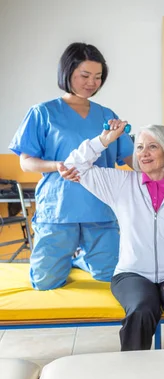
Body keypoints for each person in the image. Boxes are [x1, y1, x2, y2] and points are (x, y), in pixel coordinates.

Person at [63, 121, 164, 351]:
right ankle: (132, 374)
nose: (144, 154)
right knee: (141, 308)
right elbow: (74, 165)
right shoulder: (121, 184)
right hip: (132, 274)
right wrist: (106, 139)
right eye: (139, 147)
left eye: (152, 147)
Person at [9, 42, 133, 290]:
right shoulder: (42, 113)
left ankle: (79, 259)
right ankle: (70, 257)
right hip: (59, 208)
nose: (92, 83)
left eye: (98, 77)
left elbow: (129, 159)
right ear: (67, 73)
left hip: (100, 206)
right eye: (84, 75)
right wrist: (58, 165)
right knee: (45, 282)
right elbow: (26, 162)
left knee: (109, 275)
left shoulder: (107, 115)